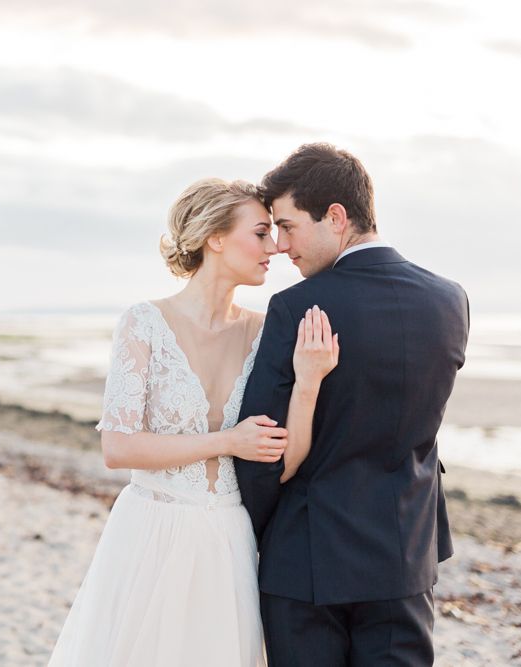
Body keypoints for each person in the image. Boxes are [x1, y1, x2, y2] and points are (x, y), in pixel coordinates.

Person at [48, 178, 339, 666]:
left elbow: (284, 459)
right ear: (216, 238)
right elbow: (117, 448)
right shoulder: (143, 323)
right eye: (262, 233)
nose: (276, 247)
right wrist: (228, 440)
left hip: (229, 536)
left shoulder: (268, 331)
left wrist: (309, 382)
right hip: (150, 529)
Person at [235, 143, 470, 666]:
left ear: (336, 217)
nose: (281, 246)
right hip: (406, 556)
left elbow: (264, 448)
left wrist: (249, 529)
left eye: (289, 226)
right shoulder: (451, 301)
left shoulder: (296, 307)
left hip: (307, 560)